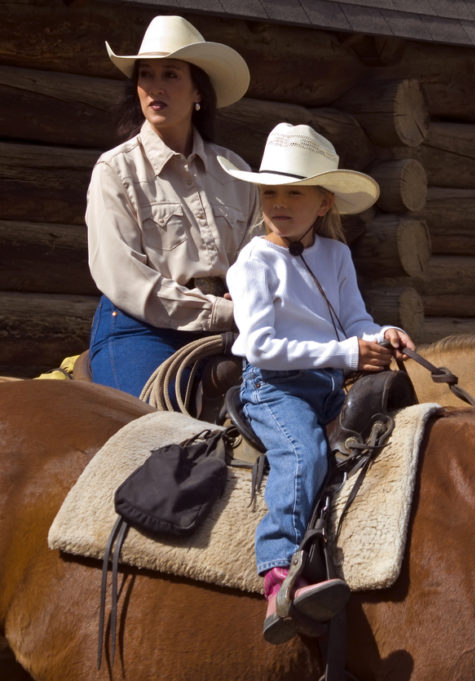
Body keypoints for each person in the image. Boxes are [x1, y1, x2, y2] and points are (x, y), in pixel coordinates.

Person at [222, 123, 415, 643]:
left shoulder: (336, 256)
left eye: (294, 191)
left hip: (329, 386)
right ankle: (278, 573)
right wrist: (347, 352)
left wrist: (382, 334)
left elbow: (354, 319)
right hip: (274, 387)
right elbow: (259, 346)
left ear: (324, 202)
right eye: (270, 192)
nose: (279, 203)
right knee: (304, 455)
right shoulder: (253, 263)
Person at [86, 15, 260, 397]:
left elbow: (262, 258)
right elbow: (122, 276)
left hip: (237, 326)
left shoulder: (237, 173)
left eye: (170, 75)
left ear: (199, 91)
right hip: (142, 328)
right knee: (154, 440)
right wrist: (220, 312)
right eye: (146, 75)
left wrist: (252, 300)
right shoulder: (116, 170)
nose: (154, 88)